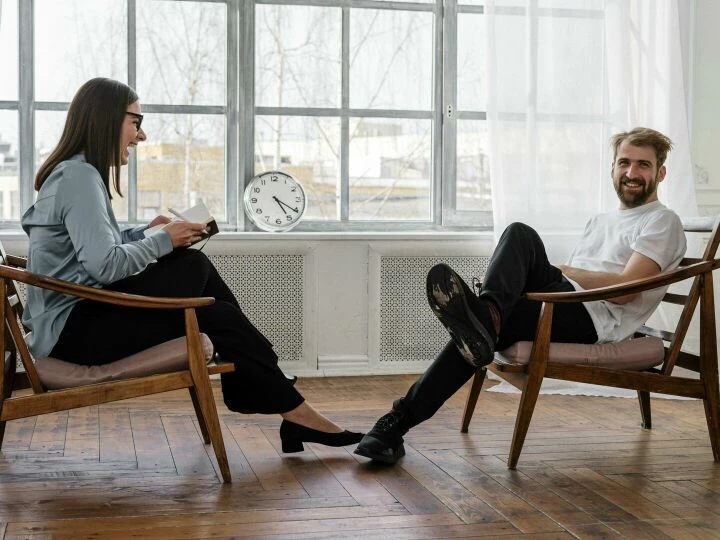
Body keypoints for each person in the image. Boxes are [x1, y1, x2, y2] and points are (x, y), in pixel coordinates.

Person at [21, 77, 363, 453]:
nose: (142, 134)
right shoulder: (79, 177)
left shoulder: (75, 173)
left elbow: (87, 249)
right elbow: (103, 266)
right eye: (136, 121)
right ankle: (276, 389)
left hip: (78, 319)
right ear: (107, 118)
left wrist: (144, 233)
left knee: (216, 314)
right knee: (191, 267)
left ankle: (294, 412)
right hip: (75, 334)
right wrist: (164, 240)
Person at [355, 127, 687, 464]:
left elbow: (626, 292)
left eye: (643, 165)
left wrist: (566, 272)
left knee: (520, 239)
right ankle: (395, 426)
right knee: (487, 316)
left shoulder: (662, 220)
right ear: (612, 168)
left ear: (660, 173)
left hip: (594, 319)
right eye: (624, 163)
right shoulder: (600, 221)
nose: (632, 173)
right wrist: (555, 278)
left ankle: (401, 416)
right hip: (564, 303)